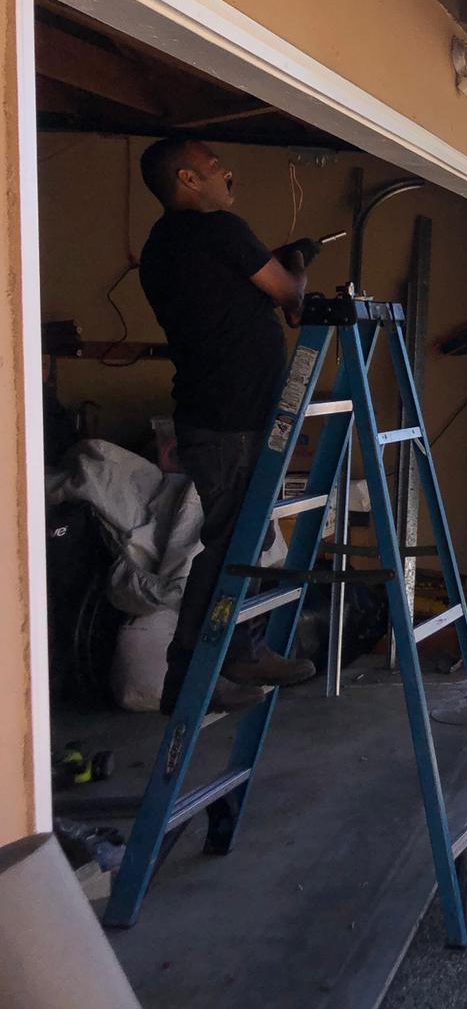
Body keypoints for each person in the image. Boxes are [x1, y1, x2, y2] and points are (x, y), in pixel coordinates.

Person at [138, 138, 324, 714]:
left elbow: (232, 300)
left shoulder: (161, 245)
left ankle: (220, 659)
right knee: (232, 544)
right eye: (215, 164)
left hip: (212, 415)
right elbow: (292, 298)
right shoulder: (220, 229)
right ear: (188, 179)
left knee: (236, 540)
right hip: (233, 421)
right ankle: (210, 666)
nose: (227, 171)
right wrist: (293, 260)